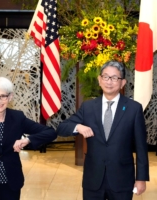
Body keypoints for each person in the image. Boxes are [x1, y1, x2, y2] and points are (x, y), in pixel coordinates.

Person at [56, 60, 149, 200]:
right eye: (105, 77)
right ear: (99, 80)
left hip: (122, 180)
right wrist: (78, 127)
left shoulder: (133, 109)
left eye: (114, 78)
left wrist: (141, 178)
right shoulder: (88, 107)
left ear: (122, 83)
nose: (109, 82)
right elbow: (61, 128)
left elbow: (141, 147)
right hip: (93, 180)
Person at [0, 76, 57, 200]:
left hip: (10, 178)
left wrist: (27, 140)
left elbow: (50, 132)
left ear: (10, 97)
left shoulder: (17, 118)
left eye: (3, 96)